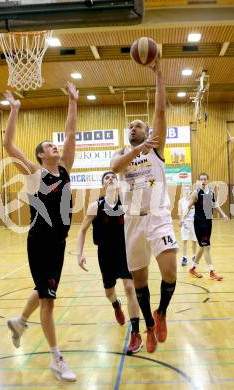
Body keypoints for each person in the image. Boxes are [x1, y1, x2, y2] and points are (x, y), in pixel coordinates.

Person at [3, 81, 78, 382]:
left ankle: (20, 322)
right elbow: (9, 145)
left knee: (45, 290)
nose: (54, 146)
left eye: (54, 144)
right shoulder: (36, 175)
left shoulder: (65, 169)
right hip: (40, 243)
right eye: (49, 146)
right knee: (48, 300)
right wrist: (15, 110)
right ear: (40, 156)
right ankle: (57, 359)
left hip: (59, 243)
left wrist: (73, 100)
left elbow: (71, 133)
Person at [110, 56, 178, 353]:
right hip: (133, 221)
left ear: (148, 131)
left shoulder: (156, 148)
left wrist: (159, 74)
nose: (133, 127)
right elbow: (114, 167)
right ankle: (149, 325)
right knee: (139, 282)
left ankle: (162, 313)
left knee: (171, 272)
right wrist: (137, 147)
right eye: (131, 126)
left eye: (138, 125)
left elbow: (160, 110)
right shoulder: (124, 153)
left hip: (158, 215)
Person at [77, 171, 143, 355]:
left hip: (125, 252)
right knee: (109, 292)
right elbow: (82, 230)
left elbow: (140, 224)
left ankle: (136, 333)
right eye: (107, 178)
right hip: (105, 254)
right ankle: (116, 305)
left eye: (113, 176)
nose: (111, 178)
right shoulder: (95, 206)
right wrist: (79, 254)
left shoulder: (127, 204)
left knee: (130, 288)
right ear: (103, 185)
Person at [181, 172, 228, 280]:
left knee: (202, 246)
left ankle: (192, 268)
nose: (203, 181)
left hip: (208, 223)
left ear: (207, 180)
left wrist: (223, 215)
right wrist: (183, 218)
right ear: (198, 181)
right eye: (201, 179)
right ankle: (212, 271)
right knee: (206, 247)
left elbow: (215, 205)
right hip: (199, 223)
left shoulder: (211, 193)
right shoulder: (196, 193)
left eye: (205, 179)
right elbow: (188, 207)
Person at [178, 186, 197, 266]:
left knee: (194, 240)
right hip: (185, 223)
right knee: (185, 240)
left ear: (190, 191)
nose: (186, 191)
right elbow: (179, 211)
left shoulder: (194, 200)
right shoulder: (181, 201)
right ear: (183, 191)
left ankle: (194, 256)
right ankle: (184, 257)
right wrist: (181, 220)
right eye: (185, 190)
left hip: (194, 222)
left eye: (188, 189)